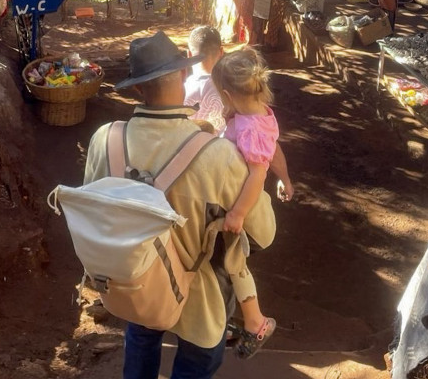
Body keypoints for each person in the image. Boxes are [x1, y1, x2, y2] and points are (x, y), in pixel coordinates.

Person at [83, 31, 276, 379]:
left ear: (137, 89)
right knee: (198, 360)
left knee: (141, 339)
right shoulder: (219, 155)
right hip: (198, 295)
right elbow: (264, 233)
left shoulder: (104, 141)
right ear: (185, 74)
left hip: (137, 283)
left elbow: (95, 212)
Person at [211, 47, 295, 359]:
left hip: (243, 208)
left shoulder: (249, 129)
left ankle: (254, 323)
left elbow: (258, 174)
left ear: (227, 95)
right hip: (242, 200)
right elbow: (274, 150)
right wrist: (286, 179)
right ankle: (243, 321)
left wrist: (237, 213)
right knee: (231, 263)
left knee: (228, 264)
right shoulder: (258, 115)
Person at [184, 26, 226, 135]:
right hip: (219, 144)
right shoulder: (229, 88)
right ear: (221, 52)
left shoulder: (182, 89)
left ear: (189, 54)